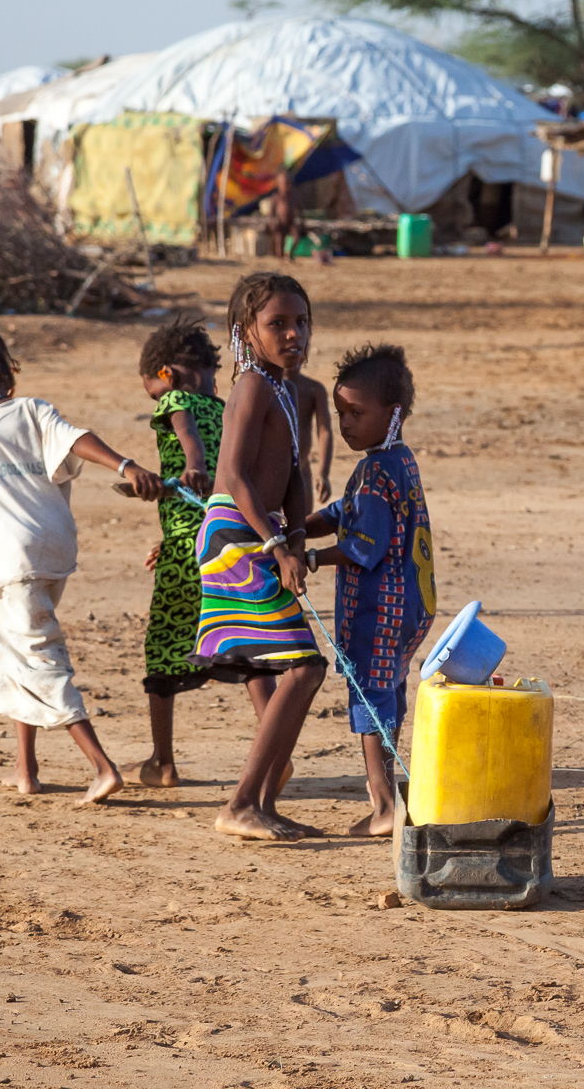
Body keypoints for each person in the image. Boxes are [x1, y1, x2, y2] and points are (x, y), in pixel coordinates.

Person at [0, 325, 164, 804]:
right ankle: (25, 770)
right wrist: (126, 465)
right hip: (52, 550)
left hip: (8, 562)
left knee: (40, 660)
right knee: (12, 652)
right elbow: (75, 440)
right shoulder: (31, 410)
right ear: (7, 371)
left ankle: (102, 767)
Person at [196, 271, 328, 840]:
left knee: (296, 668)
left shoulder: (285, 389)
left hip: (264, 532)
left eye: (301, 323)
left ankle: (262, 803)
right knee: (304, 666)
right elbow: (233, 477)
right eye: (277, 324)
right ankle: (243, 803)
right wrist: (275, 545)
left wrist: (297, 538)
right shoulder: (251, 386)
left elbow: (296, 476)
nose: (293, 334)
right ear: (245, 333)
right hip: (236, 535)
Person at [303, 343, 436, 836]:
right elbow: (344, 512)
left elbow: (362, 545)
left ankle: (383, 804)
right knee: (390, 692)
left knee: (367, 696)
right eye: (341, 413)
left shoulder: (376, 471)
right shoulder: (398, 460)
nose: (346, 425)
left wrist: (311, 556)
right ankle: (392, 793)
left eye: (357, 413)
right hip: (412, 607)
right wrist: (303, 526)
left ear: (393, 413)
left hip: (380, 608)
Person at [125, 313, 225, 788]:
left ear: (165, 374)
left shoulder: (178, 398)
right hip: (228, 540)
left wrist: (193, 463)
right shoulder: (226, 410)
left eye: (154, 391)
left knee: (163, 649)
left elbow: (186, 431)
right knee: (245, 650)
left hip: (189, 549)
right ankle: (275, 757)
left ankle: (162, 761)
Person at [290, 367, 334, 504]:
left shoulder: (312, 389)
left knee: (301, 521)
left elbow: (324, 430)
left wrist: (323, 473)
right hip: (270, 472)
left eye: (304, 344)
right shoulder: (262, 387)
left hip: (302, 470)